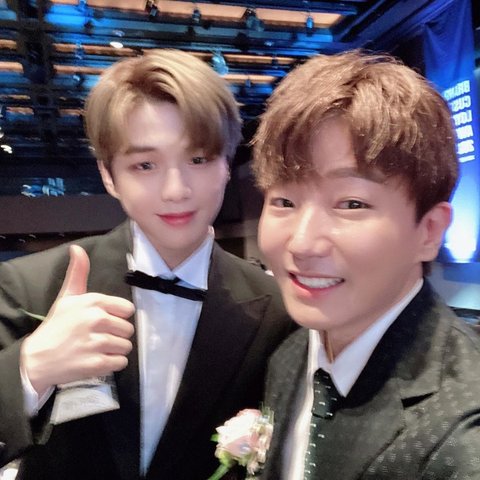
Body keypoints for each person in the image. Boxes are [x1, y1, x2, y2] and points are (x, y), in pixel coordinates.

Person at [0, 49, 292, 480]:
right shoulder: (29, 285)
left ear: (227, 164)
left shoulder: (276, 310)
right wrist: (31, 369)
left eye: (198, 159)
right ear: (109, 176)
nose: (176, 190)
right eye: (145, 165)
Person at [252, 50, 480, 479]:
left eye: (351, 204)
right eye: (283, 201)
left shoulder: (464, 431)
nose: (302, 243)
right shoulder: (291, 353)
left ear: (429, 231)